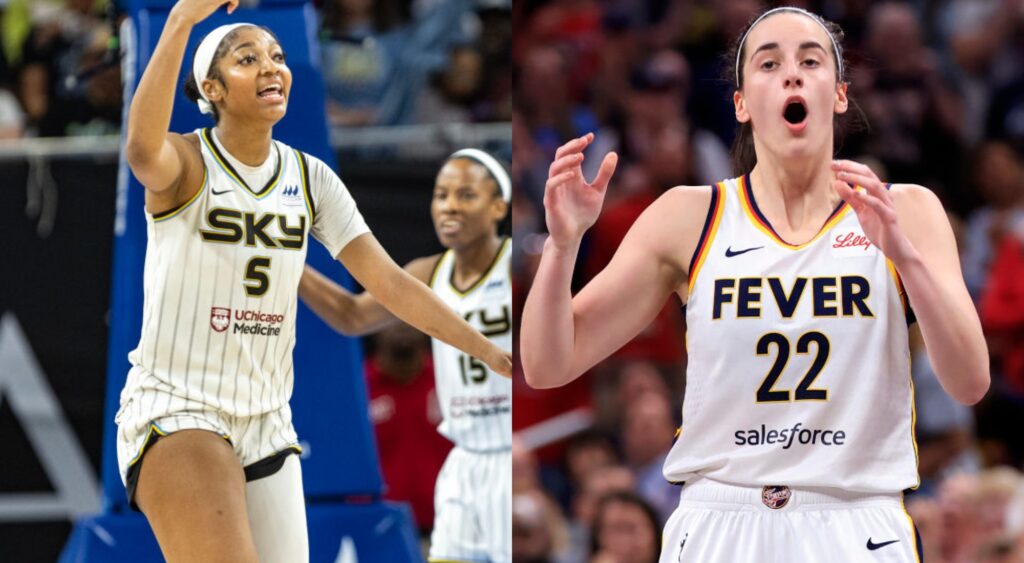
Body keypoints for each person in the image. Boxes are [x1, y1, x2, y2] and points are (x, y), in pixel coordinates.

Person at [521, 6, 989, 562]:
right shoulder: (688, 216)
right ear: (741, 104)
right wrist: (562, 245)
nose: (791, 73)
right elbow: (548, 363)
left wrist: (904, 258)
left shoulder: (905, 210)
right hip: (721, 519)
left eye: (810, 61)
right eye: (769, 63)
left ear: (838, 95)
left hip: (856, 517)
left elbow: (969, 383)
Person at [115, 1, 511, 562]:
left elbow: (390, 285)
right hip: (178, 408)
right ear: (214, 89)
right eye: (248, 59)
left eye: (278, 56)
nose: (272, 67)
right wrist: (180, 20)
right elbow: (138, 149)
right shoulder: (188, 161)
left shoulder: (310, 177)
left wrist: (488, 351)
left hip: (268, 421)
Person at [298, 148, 512, 562]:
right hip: (464, 460)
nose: (449, 206)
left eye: (466, 195)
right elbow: (351, 315)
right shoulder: (427, 273)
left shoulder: (516, 268)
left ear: (498, 206)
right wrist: (290, 262)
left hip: (509, 454)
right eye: (441, 194)